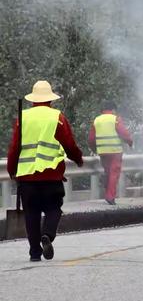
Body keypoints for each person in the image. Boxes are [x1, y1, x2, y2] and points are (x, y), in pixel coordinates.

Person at [7, 80, 84, 262]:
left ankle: (35, 253)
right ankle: (47, 235)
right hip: (52, 175)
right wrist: (78, 158)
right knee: (53, 209)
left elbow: (14, 147)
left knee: (31, 214)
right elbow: (69, 144)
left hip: (27, 177)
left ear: (33, 100)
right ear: (50, 100)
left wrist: (12, 169)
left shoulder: (23, 117)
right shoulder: (57, 117)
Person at [88, 101, 133, 205]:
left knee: (108, 172)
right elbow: (124, 133)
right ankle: (110, 196)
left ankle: (107, 191)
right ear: (113, 109)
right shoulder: (115, 119)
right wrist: (130, 142)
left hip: (102, 152)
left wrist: (94, 149)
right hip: (115, 151)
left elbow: (91, 139)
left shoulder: (97, 120)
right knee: (114, 173)